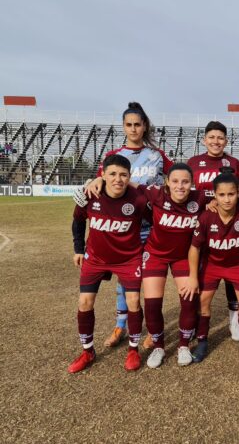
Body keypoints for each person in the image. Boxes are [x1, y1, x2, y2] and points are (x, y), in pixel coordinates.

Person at [79, 102, 173, 348]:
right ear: (124, 127)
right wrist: (95, 179)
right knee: (124, 283)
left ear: (144, 127)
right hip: (123, 230)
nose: (133, 129)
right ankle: (120, 326)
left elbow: (176, 179)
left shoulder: (157, 155)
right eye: (129, 125)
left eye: (137, 125)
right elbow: (102, 180)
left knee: (151, 281)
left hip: (150, 229)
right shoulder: (113, 157)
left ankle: (153, 330)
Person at [68, 154, 147, 373]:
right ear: (103, 175)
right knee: (84, 303)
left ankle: (133, 349)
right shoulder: (90, 194)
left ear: (129, 177)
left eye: (123, 175)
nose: (118, 179)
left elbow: (157, 217)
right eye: (112, 174)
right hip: (96, 258)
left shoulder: (138, 199)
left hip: (129, 258)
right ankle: (87, 351)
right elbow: (77, 222)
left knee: (133, 302)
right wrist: (78, 249)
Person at [184, 168, 239, 363]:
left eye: (231, 194)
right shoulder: (206, 217)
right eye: (222, 195)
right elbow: (194, 248)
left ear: (238, 194)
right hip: (212, 264)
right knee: (203, 300)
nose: (227, 199)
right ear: (215, 195)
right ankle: (202, 341)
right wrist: (193, 276)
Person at [134, 163, 208, 368]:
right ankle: (158, 346)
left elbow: (232, 193)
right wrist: (98, 180)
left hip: (183, 257)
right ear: (167, 182)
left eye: (185, 182)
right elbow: (127, 183)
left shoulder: (200, 198)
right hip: (155, 254)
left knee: (189, 299)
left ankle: (183, 345)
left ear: (192, 183)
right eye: (175, 181)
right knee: (152, 303)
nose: (180, 186)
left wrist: (215, 204)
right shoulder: (156, 194)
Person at [187, 121, 239, 341]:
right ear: (204, 140)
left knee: (232, 272)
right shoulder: (193, 162)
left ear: (226, 141)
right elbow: (186, 194)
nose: (216, 141)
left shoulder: (235, 163)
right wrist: (207, 205)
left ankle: (235, 320)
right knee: (199, 274)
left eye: (220, 138)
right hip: (201, 225)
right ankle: (192, 321)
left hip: (229, 226)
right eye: (211, 137)